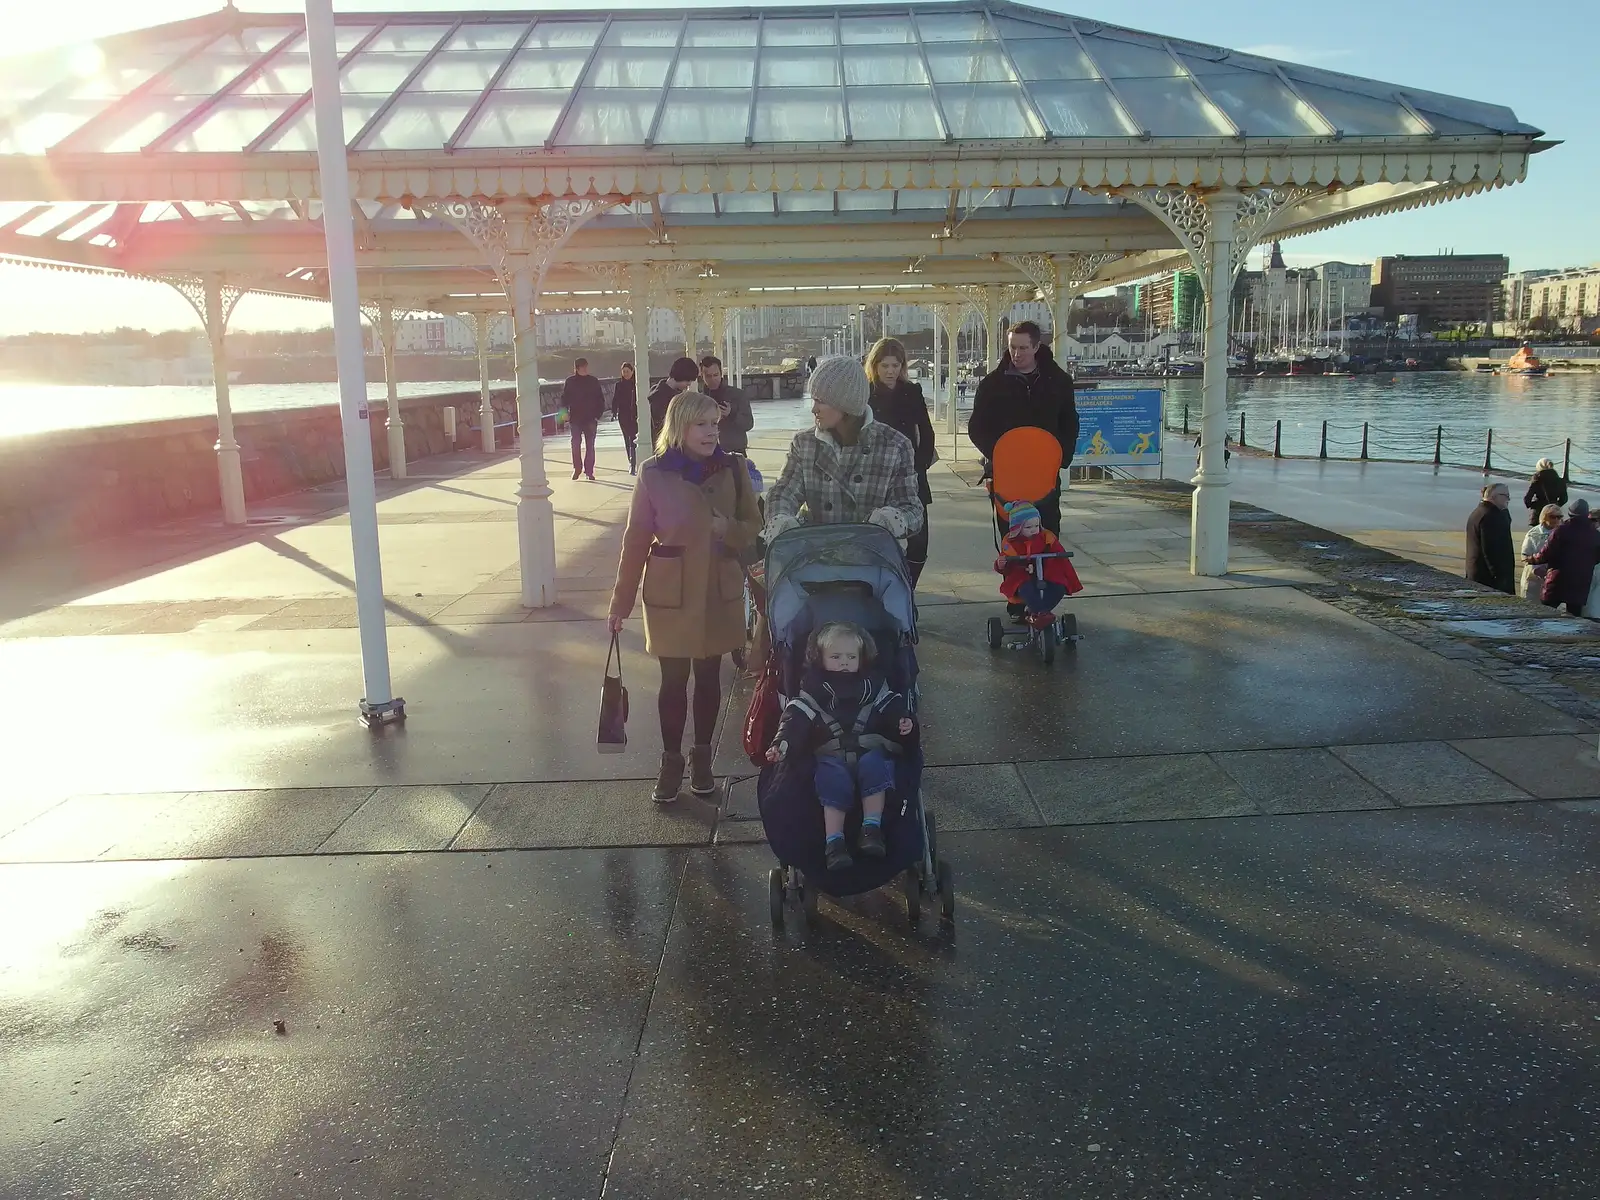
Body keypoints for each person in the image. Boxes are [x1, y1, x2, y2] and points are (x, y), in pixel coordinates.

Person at [609, 391, 763, 803]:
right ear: (680, 426)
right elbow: (636, 538)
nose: (712, 431)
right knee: (672, 681)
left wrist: (725, 528)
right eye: (702, 424)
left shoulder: (733, 468)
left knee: (710, 677)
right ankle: (671, 762)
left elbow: (754, 524)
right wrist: (620, 604)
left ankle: (702, 760)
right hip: (671, 592)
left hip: (717, 588)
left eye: (715, 423)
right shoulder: (653, 473)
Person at [764, 621, 916, 873]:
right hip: (830, 755)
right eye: (835, 657)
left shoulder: (874, 685)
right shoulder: (812, 690)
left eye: (851, 656)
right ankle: (834, 842)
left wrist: (903, 720)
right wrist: (782, 743)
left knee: (876, 765)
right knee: (831, 777)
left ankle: (872, 829)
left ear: (862, 658)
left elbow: (892, 705)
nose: (844, 662)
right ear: (820, 659)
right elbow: (794, 719)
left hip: (869, 749)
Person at [763, 355, 923, 546]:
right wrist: (782, 520)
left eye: (820, 401)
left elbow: (912, 508)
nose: (814, 409)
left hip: (872, 559)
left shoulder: (895, 445)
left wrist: (890, 520)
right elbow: (784, 492)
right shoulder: (805, 443)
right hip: (815, 556)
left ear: (845, 404)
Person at [967, 321, 1078, 540]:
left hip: (1044, 471)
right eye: (1012, 347)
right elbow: (977, 427)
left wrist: (1062, 457)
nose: (1016, 354)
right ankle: (1014, 575)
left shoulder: (1059, 382)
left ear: (1037, 347)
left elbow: (1070, 423)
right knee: (1012, 542)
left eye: (1023, 348)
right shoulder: (992, 385)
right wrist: (999, 455)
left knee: (1047, 536)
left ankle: (1046, 575)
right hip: (1008, 474)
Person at [866, 337, 938, 587]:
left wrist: (920, 465)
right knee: (880, 540)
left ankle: (906, 591)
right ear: (875, 365)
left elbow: (926, 433)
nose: (890, 371)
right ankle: (884, 592)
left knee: (919, 542)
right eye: (885, 365)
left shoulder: (912, 392)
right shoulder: (864, 394)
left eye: (895, 365)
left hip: (911, 474)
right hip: (875, 476)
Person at [995, 501, 1081, 627]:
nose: (1033, 530)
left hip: (1046, 572)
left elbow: (1059, 554)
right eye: (1028, 527)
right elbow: (1007, 565)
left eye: (1036, 526)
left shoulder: (1046, 536)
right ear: (1017, 528)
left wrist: (1063, 566)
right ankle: (1040, 613)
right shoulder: (1010, 542)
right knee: (1025, 588)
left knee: (1059, 586)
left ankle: (1040, 612)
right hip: (1023, 576)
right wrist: (1001, 565)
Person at [1530, 497, 1599, 616]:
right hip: (1581, 580)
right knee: (1574, 616)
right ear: (1586, 515)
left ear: (1570, 513)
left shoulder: (1561, 530)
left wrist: (1533, 559)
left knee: (1546, 613)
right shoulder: (1595, 534)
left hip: (1557, 577)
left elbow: (1546, 553)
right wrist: (1585, 564)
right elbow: (1597, 557)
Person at [1465, 482, 1516, 595]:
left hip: (1477, 572)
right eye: (1506, 496)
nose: (1508, 499)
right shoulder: (1491, 516)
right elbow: (1490, 549)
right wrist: (1499, 578)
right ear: (1494, 497)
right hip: (1489, 578)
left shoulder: (1479, 512)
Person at [699, 354, 753, 455]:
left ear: (721, 374)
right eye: (708, 376)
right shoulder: (699, 400)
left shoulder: (737, 395)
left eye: (715, 375)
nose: (713, 379)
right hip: (707, 452)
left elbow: (748, 424)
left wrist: (731, 414)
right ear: (702, 376)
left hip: (734, 451)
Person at [561, 357, 605, 481]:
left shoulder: (593, 381)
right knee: (575, 444)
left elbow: (600, 399)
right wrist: (563, 413)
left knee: (590, 445)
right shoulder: (570, 382)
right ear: (577, 368)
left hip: (590, 418)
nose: (586, 369)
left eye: (586, 366)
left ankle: (589, 471)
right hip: (575, 418)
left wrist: (598, 414)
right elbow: (564, 399)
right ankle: (577, 468)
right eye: (583, 367)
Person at [648, 356, 700, 449]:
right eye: (688, 380)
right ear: (681, 376)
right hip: (669, 447)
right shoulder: (662, 397)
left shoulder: (661, 393)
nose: (689, 384)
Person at [1519, 503, 1564, 599]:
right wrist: (1537, 569)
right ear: (1544, 517)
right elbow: (1525, 556)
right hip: (1533, 579)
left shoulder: (1562, 533)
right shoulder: (1534, 534)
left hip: (1553, 579)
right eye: (1552, 517)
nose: (1556, 520)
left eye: (1559, 517)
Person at [1524, 458, 1567, 526]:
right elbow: (1564, 499)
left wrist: (1534, 505)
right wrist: (1555, 505)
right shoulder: (1560, 481)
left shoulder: (1537, 479)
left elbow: (1527, 498)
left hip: (1538, 512)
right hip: (1553, 512)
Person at [613, 362, 639, 475]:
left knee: (633, 439)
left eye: (627, 371)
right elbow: (615, 399)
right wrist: (614, 412)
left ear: (632, 372)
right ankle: (630, 460)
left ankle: (634, 463)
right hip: (623, 416)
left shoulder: (636, 384)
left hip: (635, 415)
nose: (625, 374)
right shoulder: (619, 385)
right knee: (627, 439)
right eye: (623, 372)